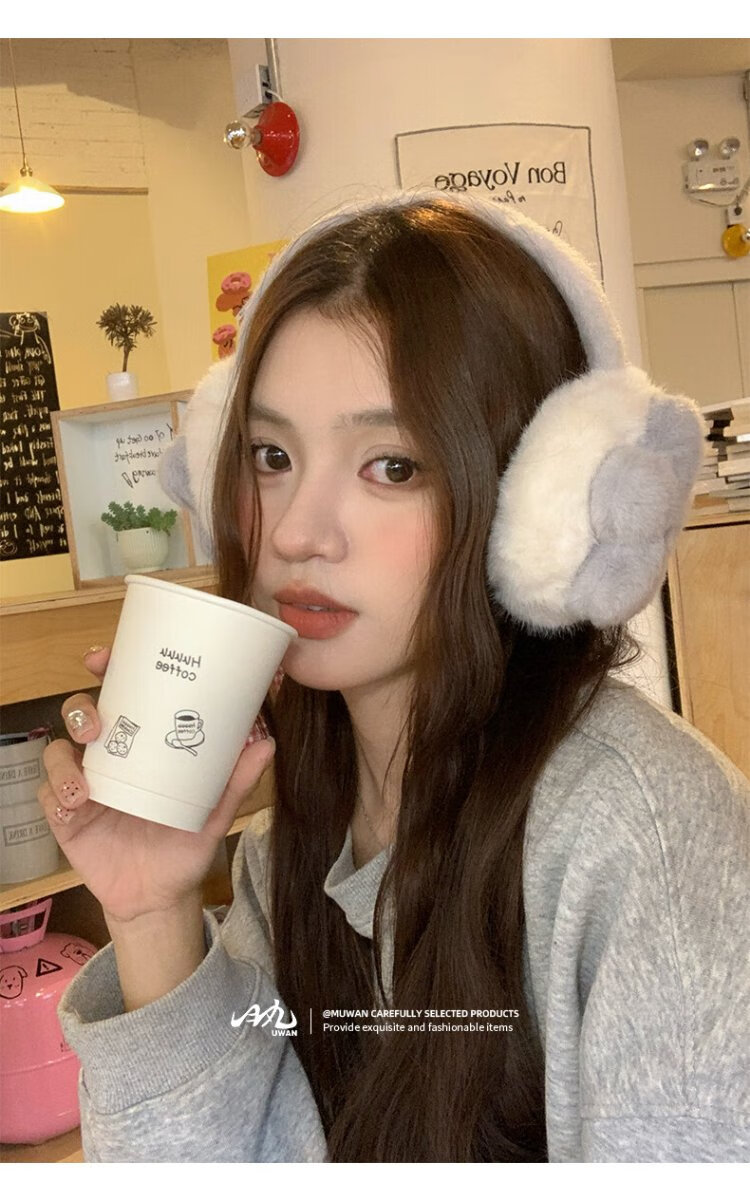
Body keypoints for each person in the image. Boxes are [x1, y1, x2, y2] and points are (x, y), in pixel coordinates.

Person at [39, 188, 749, 1163]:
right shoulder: (285, 844)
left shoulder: (642, 832)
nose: (297, 532)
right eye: (271, 455)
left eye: (393, 466)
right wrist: (151, 909)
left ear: (532, 498)